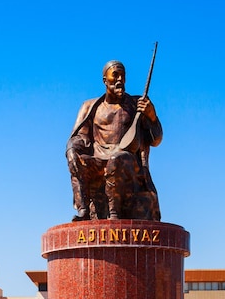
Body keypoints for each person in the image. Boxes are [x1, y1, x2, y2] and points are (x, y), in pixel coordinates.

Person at [66, 60, 163, 221]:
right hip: (98, 159)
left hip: (127, 163)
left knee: (116, 158)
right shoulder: (91, 106)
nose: (120, 80)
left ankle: (114, 214)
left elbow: (156, 140)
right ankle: (84, 210)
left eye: (122, 76)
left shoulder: (136, 104)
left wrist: (152, 117)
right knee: (76, 158)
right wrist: (71, 149)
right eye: (115, 75)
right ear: (105, 80)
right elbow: (81, 137)